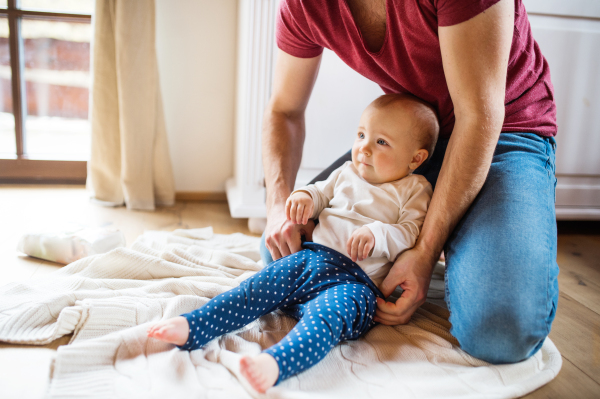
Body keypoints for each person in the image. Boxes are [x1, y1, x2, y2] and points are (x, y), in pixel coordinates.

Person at [261, 0, 559, 366]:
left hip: (501, 132)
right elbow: (284, 111)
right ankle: (435, 230)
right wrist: (278, 207)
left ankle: (455, 235)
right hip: (410, 142)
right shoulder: (302, 5)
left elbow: (478, 115)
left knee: (499, 332)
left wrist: (425, 250)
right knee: (282, 250)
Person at [147, 94, 438, 392]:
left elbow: (410, 233)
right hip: (311, 259)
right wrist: (304, 198)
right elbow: (319, 193)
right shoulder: (346, 173)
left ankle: (275, 363)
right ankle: (194, 325)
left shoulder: (414, 189)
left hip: (356, 284)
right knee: (254, 288)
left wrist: (378, 234)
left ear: (416, 158)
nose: (363, 147)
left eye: (381, 142)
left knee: (326, 321)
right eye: (362, 135)